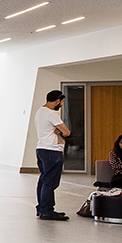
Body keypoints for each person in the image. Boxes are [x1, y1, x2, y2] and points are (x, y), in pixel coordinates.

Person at [35, 90, 71, 220]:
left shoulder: (40, 111)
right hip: (52, 151)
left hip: (41, 149)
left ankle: (42, 209)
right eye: (61, 102)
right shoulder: (52, 114)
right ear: (57, 100)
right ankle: (47, 211)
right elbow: (66, 132)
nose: (61, 105)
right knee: (50, 182)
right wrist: (60, 131)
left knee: (44, 180)